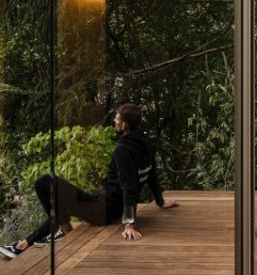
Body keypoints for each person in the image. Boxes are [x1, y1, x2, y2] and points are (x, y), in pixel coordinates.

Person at [1, 103, 178, 259]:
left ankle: (56, 232)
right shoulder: (145, 142)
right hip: (106, 205)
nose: (114, 122)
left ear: (124, 125)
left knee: (43, 182)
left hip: (103, 211)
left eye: (117, 119)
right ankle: (25, 243)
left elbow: (129, 187)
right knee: (61, 206)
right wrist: (160, 201)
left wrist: (129, 224)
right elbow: (151, 173)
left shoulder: (122, 151)